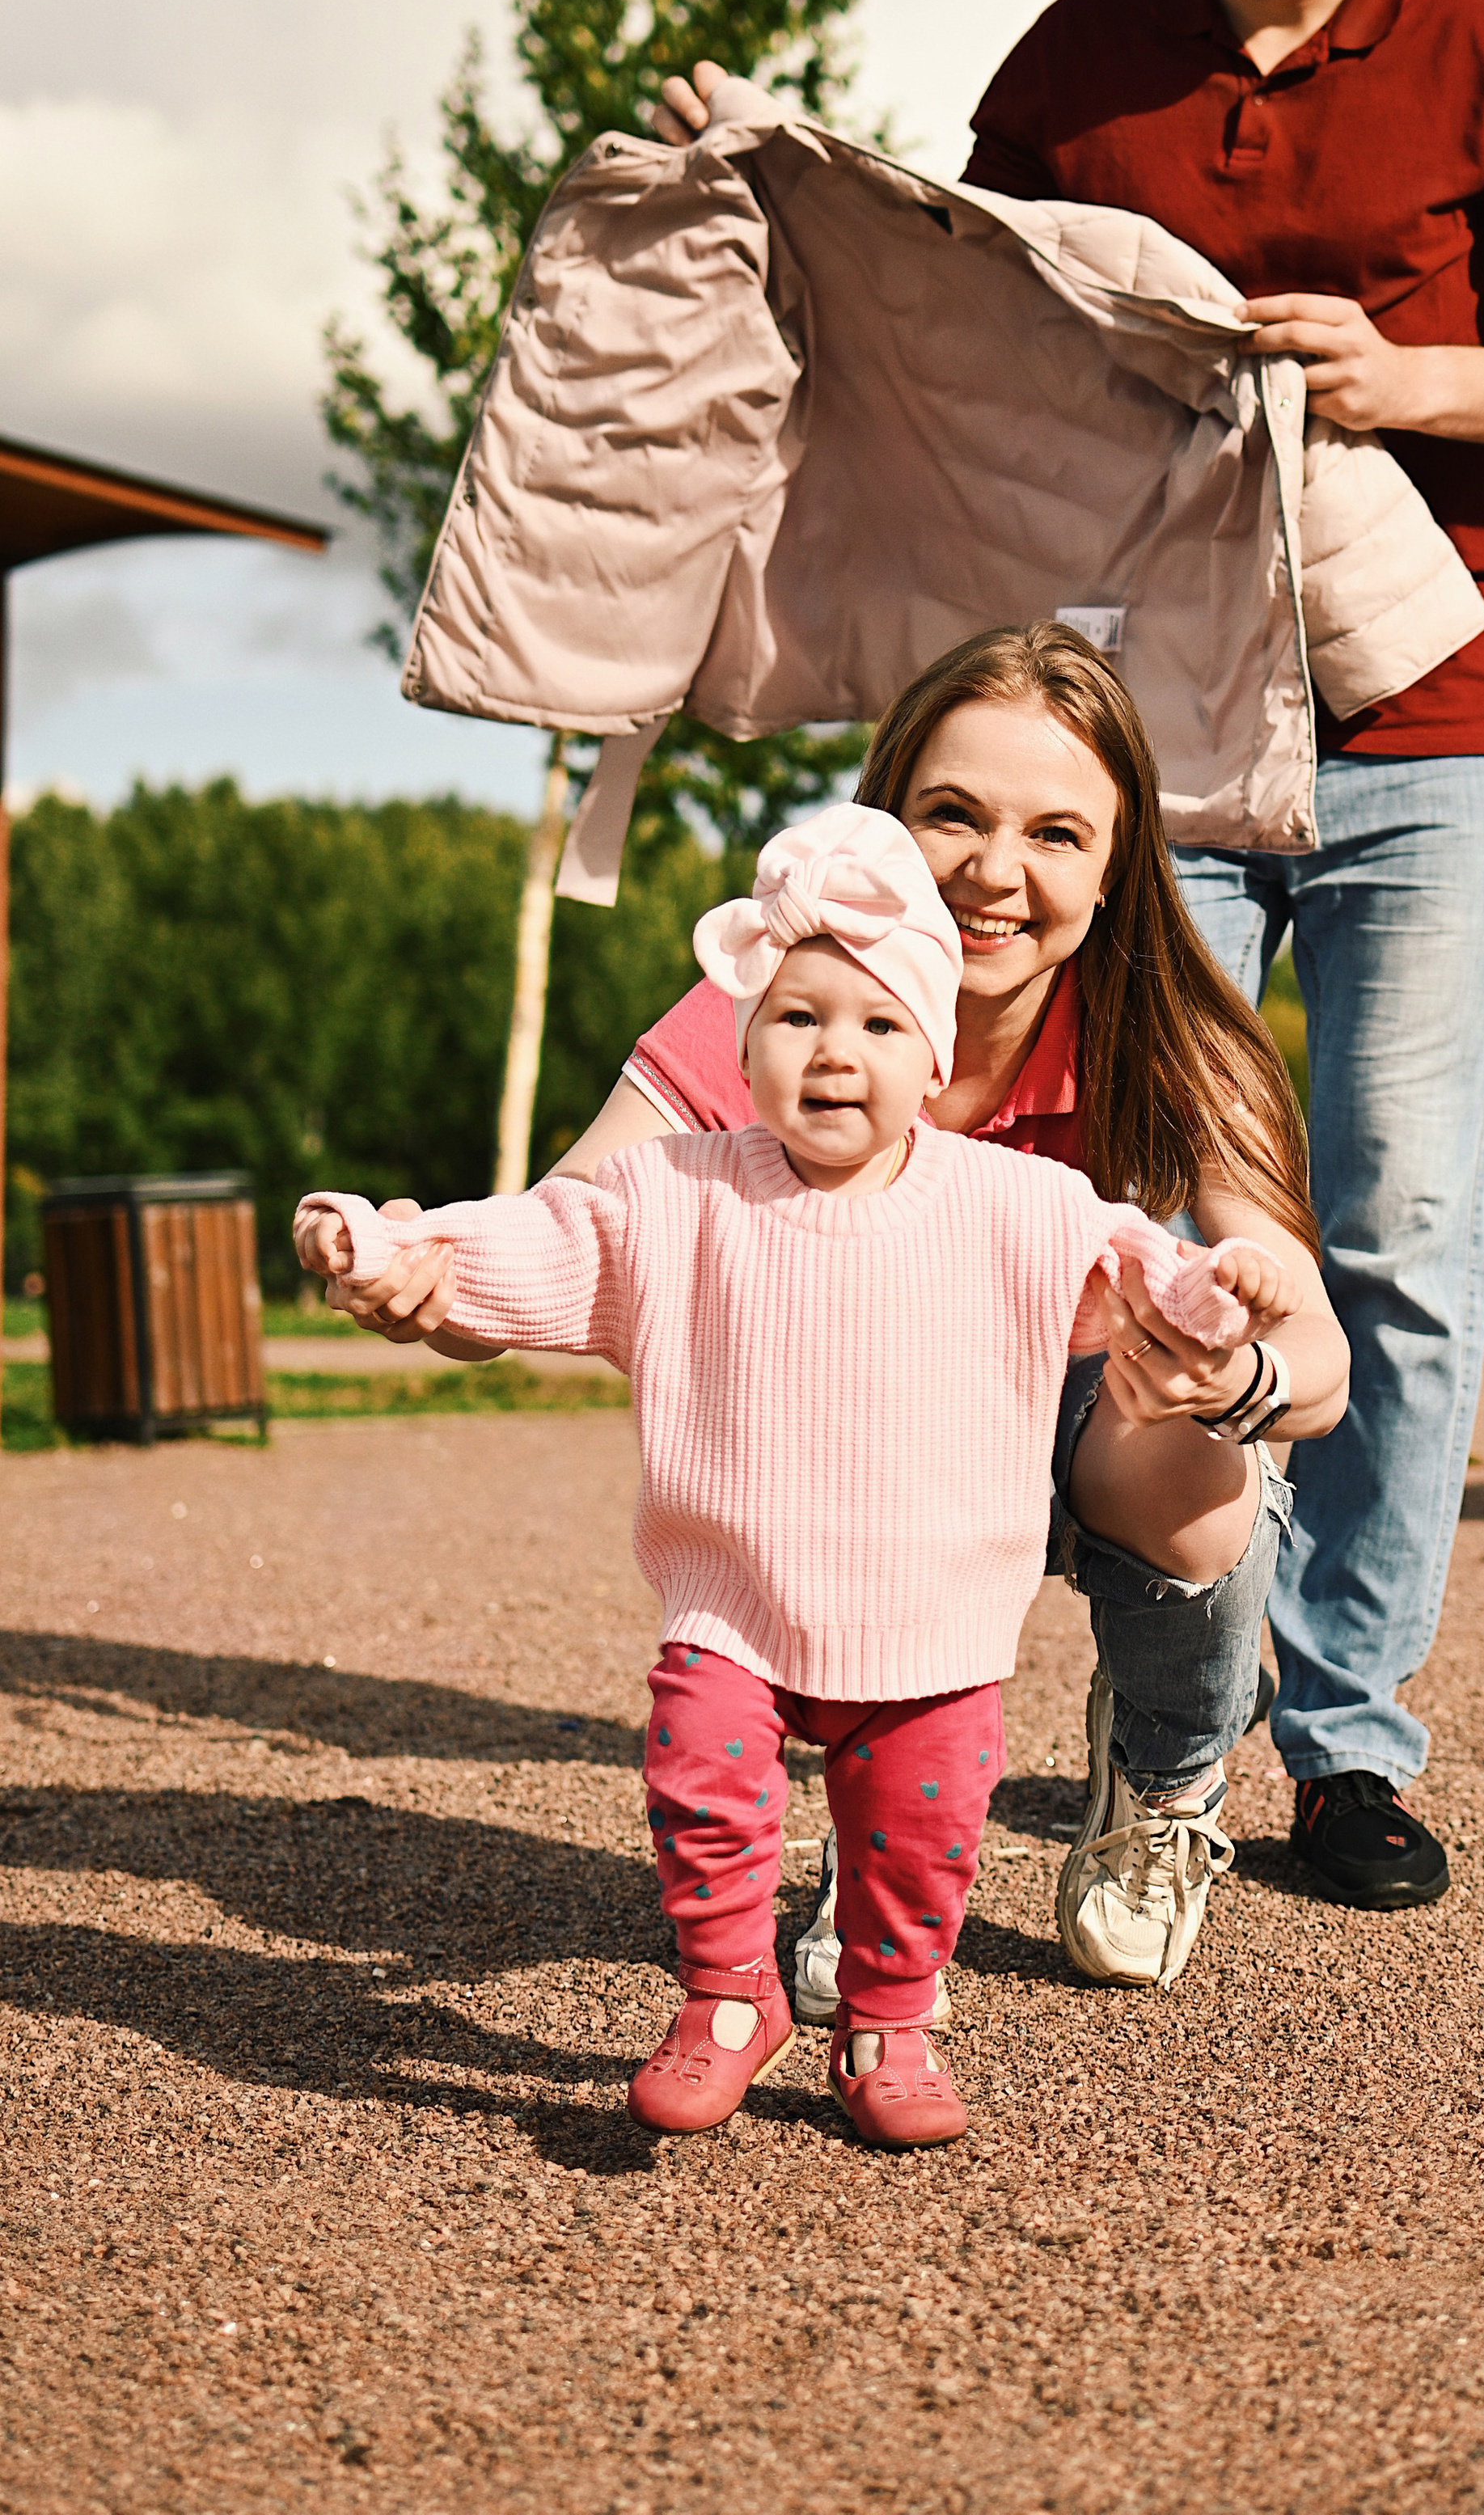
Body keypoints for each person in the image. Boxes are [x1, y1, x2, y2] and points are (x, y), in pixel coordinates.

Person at [656, 0, 1484, 1914]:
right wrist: (759, 162)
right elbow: (947, 318)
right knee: (1133, 1225)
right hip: (1155, 745)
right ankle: (1166, 1686)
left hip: (1432, 727)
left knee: (1404, 1238)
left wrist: (1398, 383)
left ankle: (1354, 1745)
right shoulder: (1079, 63)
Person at [339, 627, 1350, 2000]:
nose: (997, 870)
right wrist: (429, 1275)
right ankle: (870, 1851)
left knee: (1199, 1462)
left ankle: (1166, 1785)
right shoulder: (769, 1007)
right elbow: (568, 1235)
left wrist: (1227, 1376)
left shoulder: (1175, 1036)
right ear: (881, 822)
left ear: (1115, 873)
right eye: (953, 815)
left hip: (1074, 1418)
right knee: (814, 1465)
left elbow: (1318, 1363)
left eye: (1057, 833)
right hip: (852, 1444)